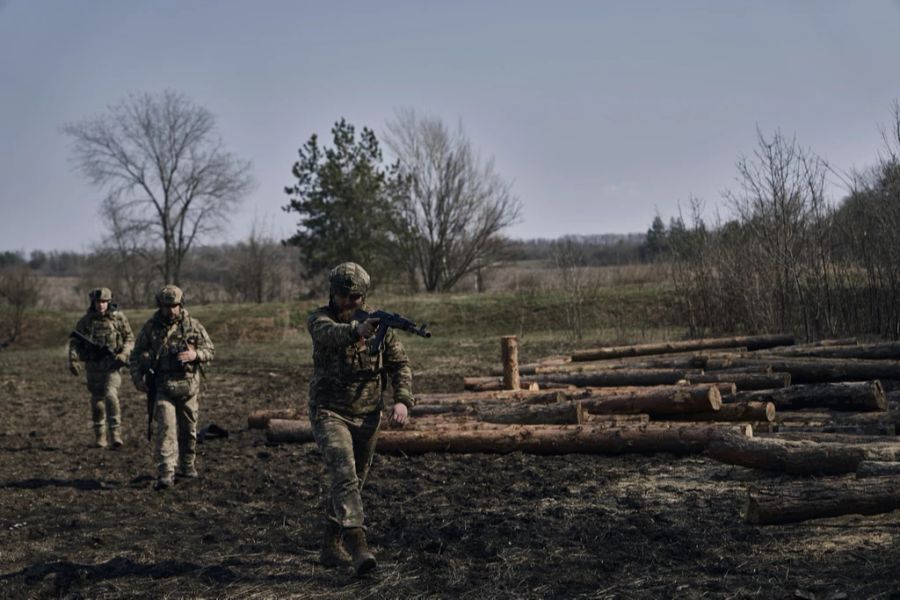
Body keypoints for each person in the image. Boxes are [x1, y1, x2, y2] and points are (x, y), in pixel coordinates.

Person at [308, 262, 414, 576]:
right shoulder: (319, 319)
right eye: (344, 296)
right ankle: (357, 546)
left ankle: (330, 545)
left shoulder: (380, 325)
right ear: (333, 293)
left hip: (368, 414)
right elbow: (329, 335)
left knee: (353, 483)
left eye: (356, 297)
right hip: (330, 411)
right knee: (344, 475)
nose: (350, 302)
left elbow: (400, 364)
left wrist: (402, 400)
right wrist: (358, 330)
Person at [129, 285, 214, 490]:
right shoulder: (151, 328)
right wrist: (137, 378)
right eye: (167, 306)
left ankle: (186, 464)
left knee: (189, 430)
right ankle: (166, 471)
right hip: (163, 387)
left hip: (188, 388)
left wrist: (196, 355)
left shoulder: (193, 326)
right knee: (166, 428)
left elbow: (210, 350)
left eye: (175, 305)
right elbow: (135, 355)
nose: (172, 310)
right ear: (161, 306)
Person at [68, 287, 134, 449]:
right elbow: (75, 342)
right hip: (93, 367)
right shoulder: (86, 321)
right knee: (97, 400)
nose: (101, 305)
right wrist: (73, 360)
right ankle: (100, 436)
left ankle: (115, 434)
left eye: (104, 302)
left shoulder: (118, 319)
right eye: (98, 302)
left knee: (111, 395)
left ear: (109, 302)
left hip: (112, 366)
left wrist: (124, 355)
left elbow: (130, 339)